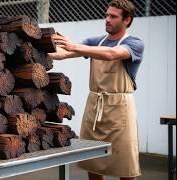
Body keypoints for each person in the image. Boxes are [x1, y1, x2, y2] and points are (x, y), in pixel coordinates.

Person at [48, 0, 144, 180]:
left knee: (126, 165)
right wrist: (35, 51)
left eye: (113, 16)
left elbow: (112, 54)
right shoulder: (96, 42)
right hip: (94, 107)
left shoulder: (134, 44)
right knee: (92, 161)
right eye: (106, 15)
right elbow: (63, 54)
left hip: (120, 109)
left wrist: (74, 45)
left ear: (127, 20)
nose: (107, 19)